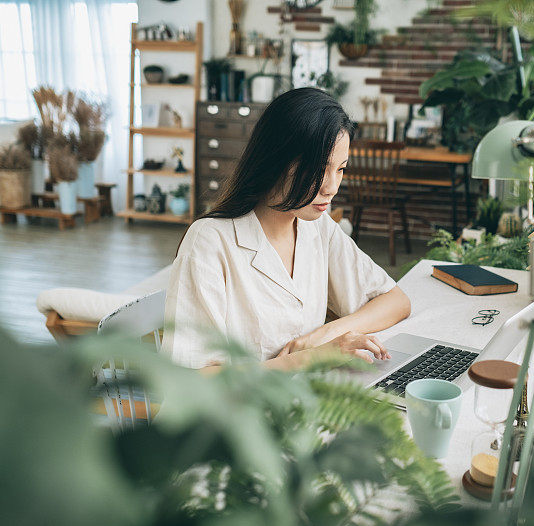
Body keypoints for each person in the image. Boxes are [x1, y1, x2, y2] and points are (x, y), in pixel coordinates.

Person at [163, 88, 411, 370]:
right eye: (318, 169)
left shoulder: (317, 228)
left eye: (341, 169)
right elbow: (192, 381)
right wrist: (312, 356)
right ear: (276, 161)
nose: (331, 187)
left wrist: (326, 334)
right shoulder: (210, 241)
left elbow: (396, 301)